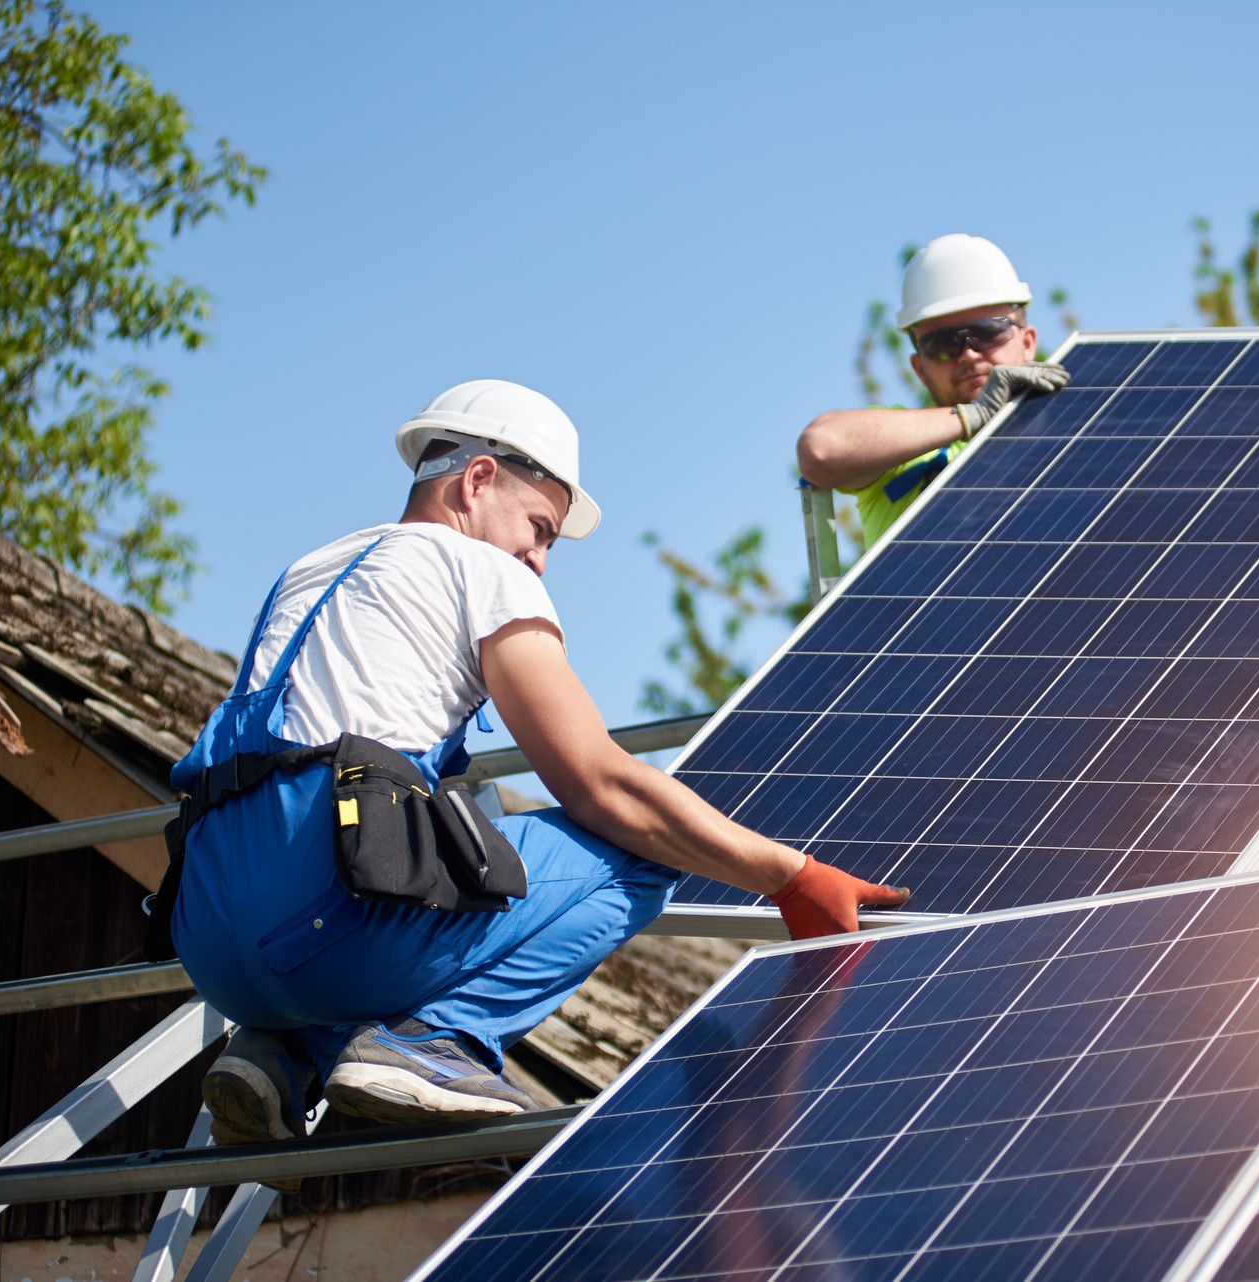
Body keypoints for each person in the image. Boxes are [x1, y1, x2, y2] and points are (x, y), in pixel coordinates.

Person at [165, 379, 908, 1159]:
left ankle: (280, 1056)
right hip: (325, 919)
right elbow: (600, 784)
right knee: (637, 851)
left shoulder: (314, 568)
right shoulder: (483, 573)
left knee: (421, 856)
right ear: (479, 479)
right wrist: (790, 876)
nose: (540, 560)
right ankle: (440, 1044)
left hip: (209, 942)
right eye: (540, 528)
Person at [797, 233, 1071, 547]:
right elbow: (821, 448)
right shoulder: (903, 449)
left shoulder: (1084, 437)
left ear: (1027, 343)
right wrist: (974, 415)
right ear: (920, 368)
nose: (968, 354)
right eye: (943, 344)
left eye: (988, 331)